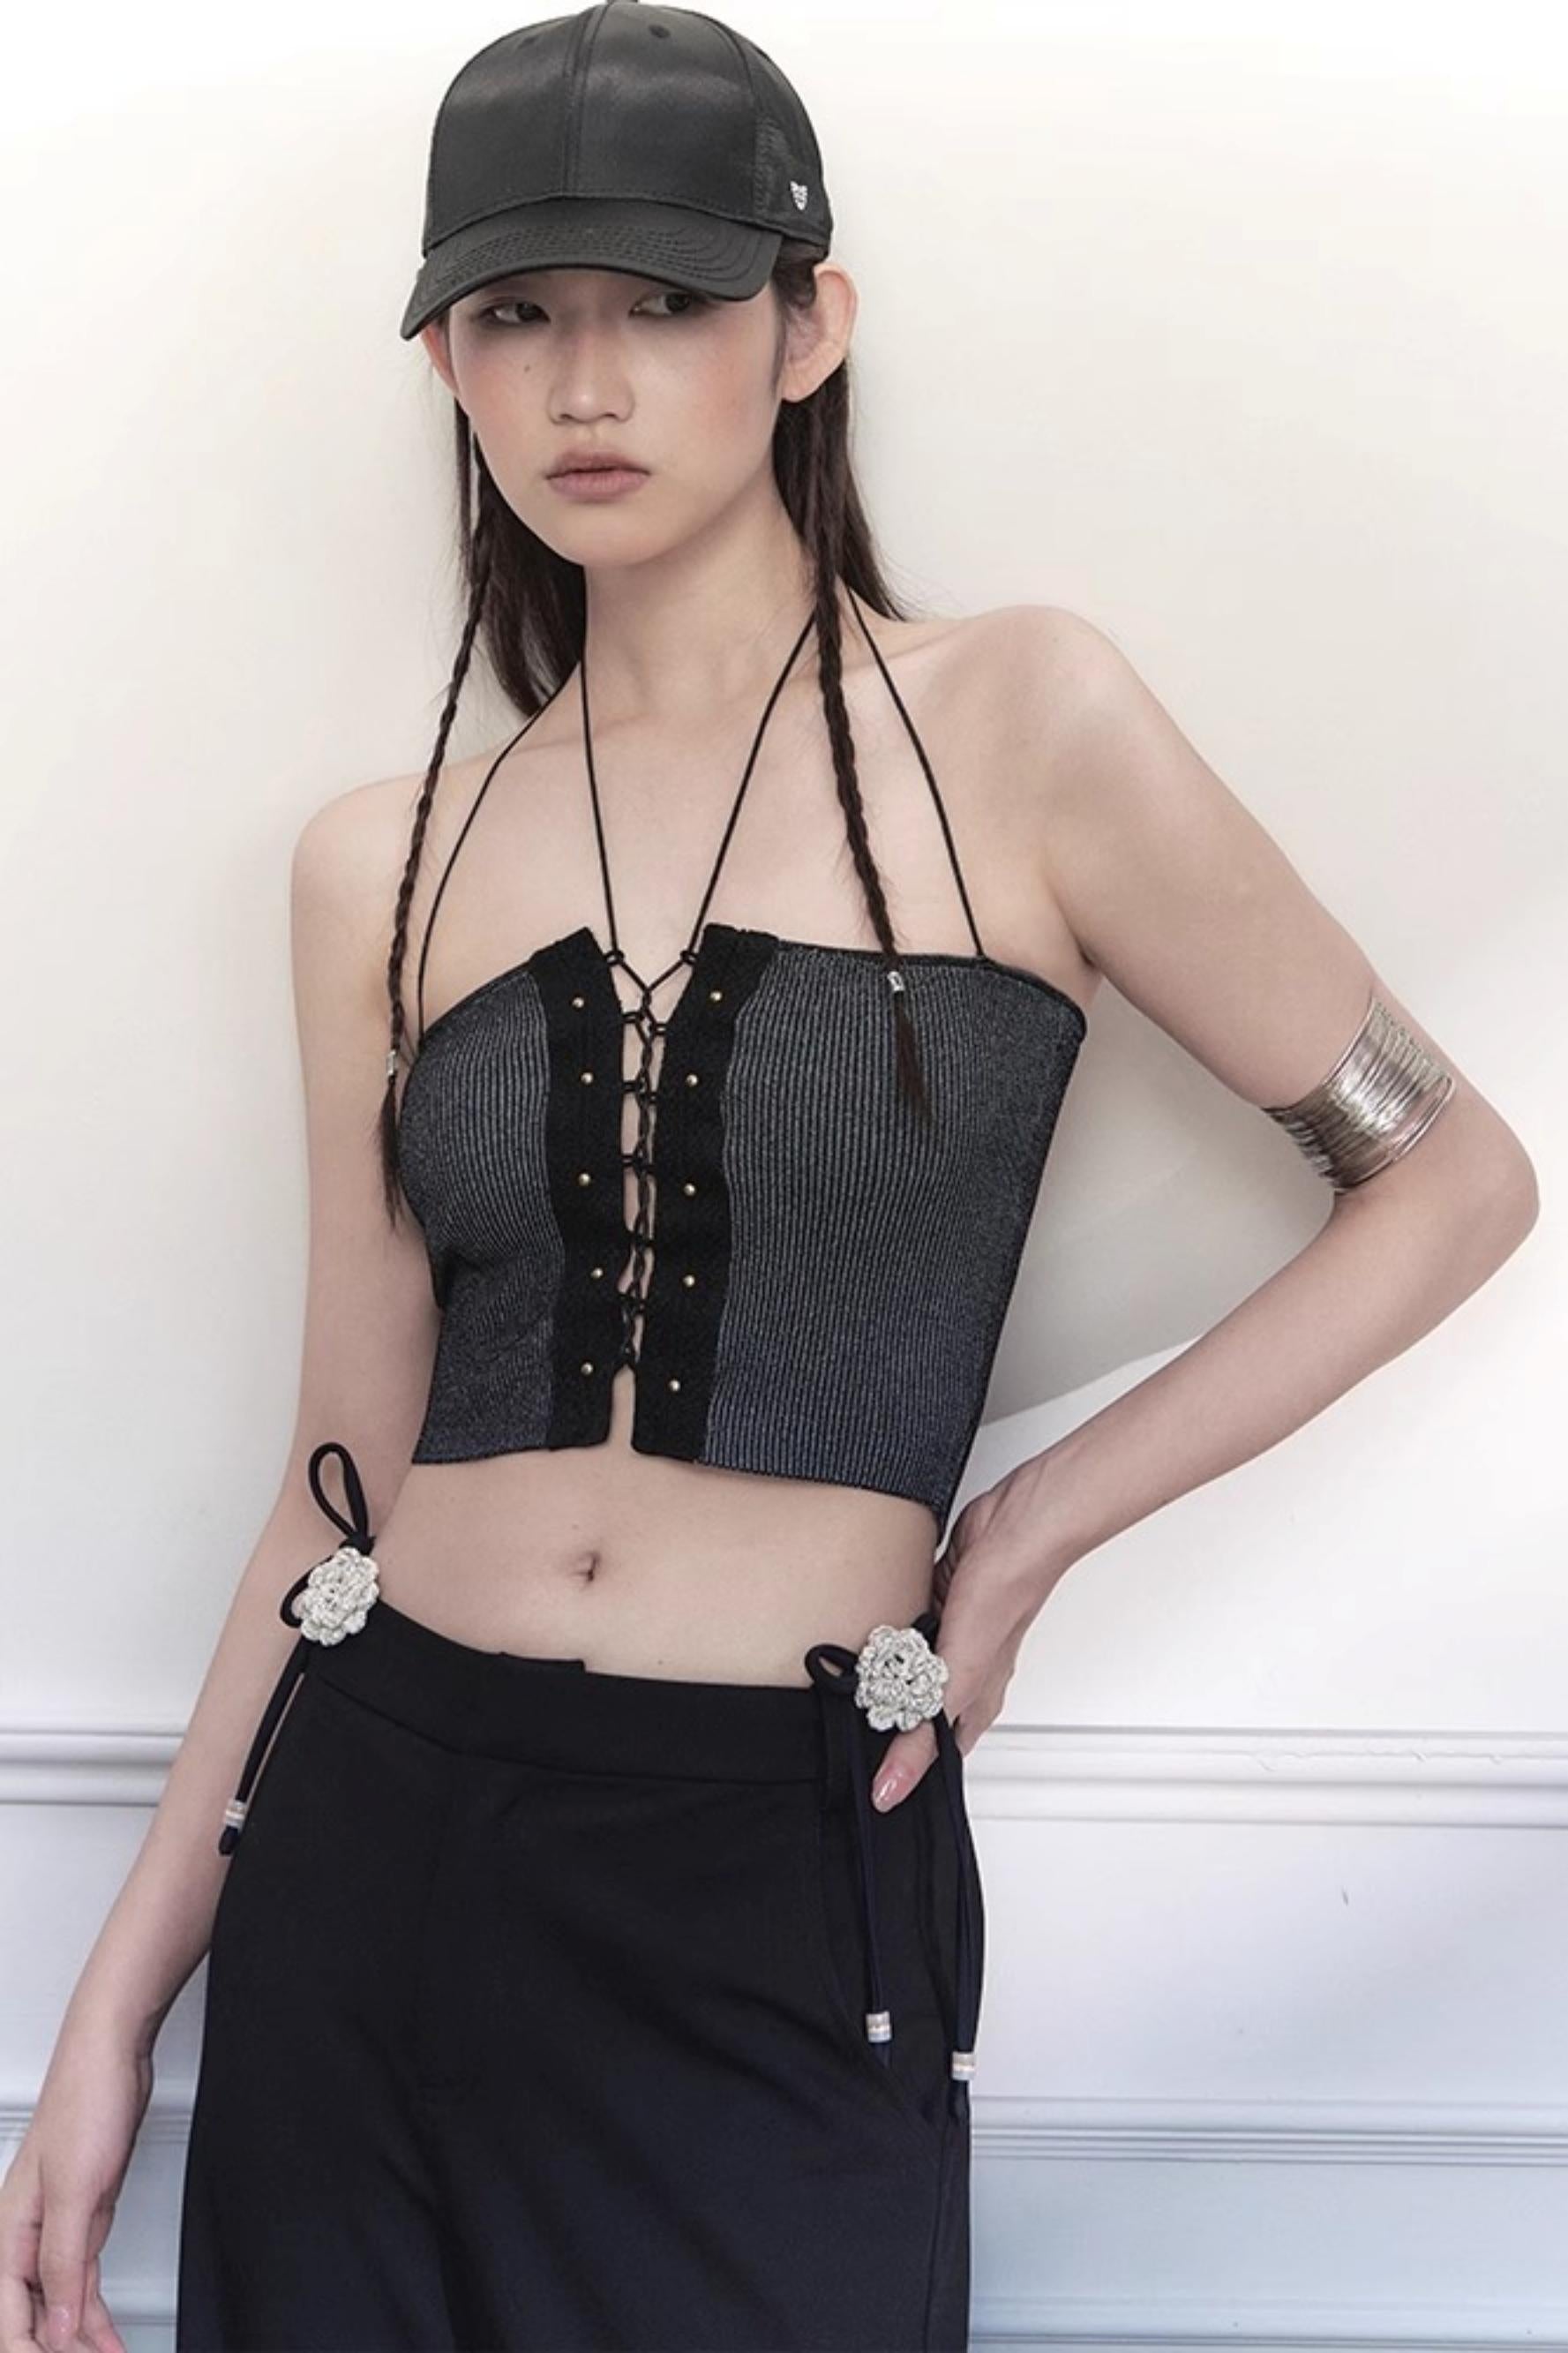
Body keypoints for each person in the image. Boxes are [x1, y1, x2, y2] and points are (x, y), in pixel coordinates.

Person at [0, 5, 1539, 2351]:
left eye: (664, 302)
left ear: (809, 327)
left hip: (772, 1867)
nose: (584, 382)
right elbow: (332, 1474)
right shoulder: (379, 867)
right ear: (443, 361)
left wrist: (1026, 1534)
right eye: (517, 315)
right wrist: (114, 2007)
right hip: (372, 1850)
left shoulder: (1025, 722)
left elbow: (1450, 1181)